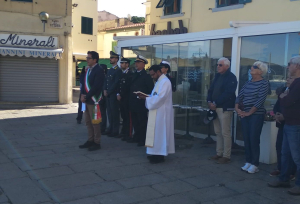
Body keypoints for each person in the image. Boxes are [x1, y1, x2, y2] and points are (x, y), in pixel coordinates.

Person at [268, 56, 300, 195]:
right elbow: (289, 104)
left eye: (289, 64)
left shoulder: (298, 83)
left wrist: (281, 93)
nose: (287, 67)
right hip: (289, 123)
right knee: (285, 153)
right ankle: (284, 179)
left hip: (296, 125)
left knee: (297, 157)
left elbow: (287, 102)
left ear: (297, 65)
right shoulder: (295, 84)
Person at [235, 61, 269, 173]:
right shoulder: (248, 83)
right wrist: (237, 108)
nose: (252, 68)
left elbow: (260, 100)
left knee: (254, 139)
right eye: (252, 66)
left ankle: (255, 164)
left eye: (255, 67)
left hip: (256, 115)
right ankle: (248, 161)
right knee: (247, 138)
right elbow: (239, 96)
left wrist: (249, 112)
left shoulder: (264, 83)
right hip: (244, 114)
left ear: (260, 71)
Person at [137, 65, 175, 163]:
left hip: (162, 113)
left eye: (153, 74)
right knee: (155, 134)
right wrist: (146, 96)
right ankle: (154, 153)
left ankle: (160, 155)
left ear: (158, 72)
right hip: (156, 111)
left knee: (160, 134)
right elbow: (155, 96)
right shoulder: (159, 81)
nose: (152, 77)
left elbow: (161, 98)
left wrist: (146, 98)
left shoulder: (165, 82)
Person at [207, 57, 237, 164]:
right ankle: (219, 153)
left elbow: (228, 93)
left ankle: (226, 155)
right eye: (217, 65)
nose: (218, 67)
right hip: (214, 107)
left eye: (220, 65)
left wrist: (215, 103)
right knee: (218, 132)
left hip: (224, 108)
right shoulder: (217, 76)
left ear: (227, 66)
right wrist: (209, 101)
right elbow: (211, 89)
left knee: (225, 132)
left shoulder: (231, 77)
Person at [269, 74, 296, 179]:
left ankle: (291, 172)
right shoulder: (284, 90)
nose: (288, 79)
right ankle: (280, 168)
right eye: (288, 77)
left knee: (292, 149)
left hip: (292, 123)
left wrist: (284, 116)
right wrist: (276, 114)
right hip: (281, 124)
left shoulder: (296, 91)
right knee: (279, 146)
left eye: (291, 77)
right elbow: (277, 105)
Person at [79, 51, 105, 151]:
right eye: (87, 58)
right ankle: (90, 140)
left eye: (89, 58)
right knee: (88, 122)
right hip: (87, 100)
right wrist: (82, 94)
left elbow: (96, 86)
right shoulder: (88, 70)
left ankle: (96, 142)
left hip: (94, 100)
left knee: (95, 122)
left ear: (95, 60)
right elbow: (83, 82)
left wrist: (86, 96)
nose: (87, 60)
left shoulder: (99, 70)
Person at [128, 55, 154, 146]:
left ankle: (142, 139)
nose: (136, 64)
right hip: (133, 101)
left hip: (141, 102)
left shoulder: (146, 76)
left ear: (143, 64)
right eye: (136, 62)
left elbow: (150, 89)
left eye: (138, 62)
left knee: (142, 121)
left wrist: (144, 97)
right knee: (135, 121)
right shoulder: (134, 74)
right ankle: (136, 136)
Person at [103, 51, 122, 137]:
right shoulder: (110, 70)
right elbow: (106, 81)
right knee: (109, 113)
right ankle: (110, 128)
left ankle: (115, 130)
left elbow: (116, 83)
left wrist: (109, 91)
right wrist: (104, 89)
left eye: (112, 58)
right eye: (110, 58)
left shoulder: (118, 70)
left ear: (116, 59)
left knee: (115, 113)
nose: (110, 59)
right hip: (108, 95)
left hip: (113, 94)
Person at [117, 57, 133, 141]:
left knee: (127, 117)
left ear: (127, 64)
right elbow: (119, 86)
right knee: (123, 116)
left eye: (123, 63)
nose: (121, 64)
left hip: (126, 99)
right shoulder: (122, 73)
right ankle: (124, 132)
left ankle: (128, 133)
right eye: (121, 63)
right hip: (121, 99)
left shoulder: (130, 74)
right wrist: (118, 94)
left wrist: (121, 94)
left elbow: (127, 87)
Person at [99, 64, 108, 134]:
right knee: (102, 113)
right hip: (101, 96)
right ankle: (102, 127)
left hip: (103, 97)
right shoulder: (105, 76)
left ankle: (102, 127)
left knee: (103, 113)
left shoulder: (103, 76)